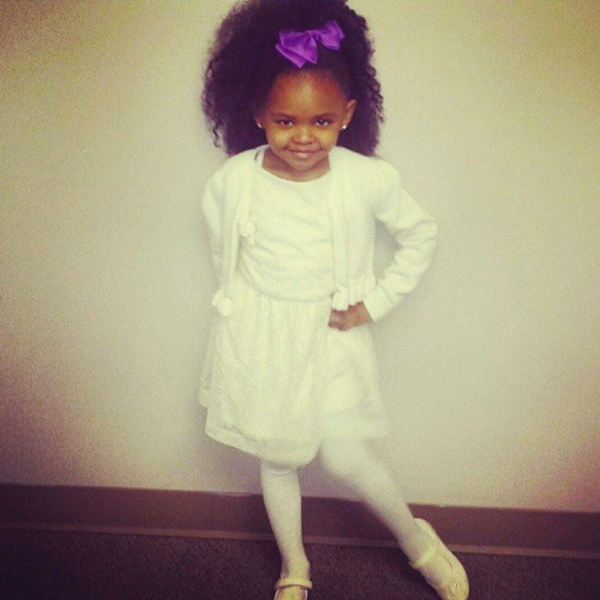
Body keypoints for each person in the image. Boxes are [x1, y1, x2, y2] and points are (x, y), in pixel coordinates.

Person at [199, 1, 469, 599]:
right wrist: (248, 312)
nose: (303, 137)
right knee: (278, 456)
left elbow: (420, 234)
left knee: (347, 456)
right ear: (257, 113)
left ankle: (419, 543)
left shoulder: (363, 179)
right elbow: (227, 254)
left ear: (347, 115)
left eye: (321, 121)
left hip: (330, 337)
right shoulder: (233, 182)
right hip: (265, 339)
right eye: (285, 121)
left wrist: (374, 303)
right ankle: (294, 566)